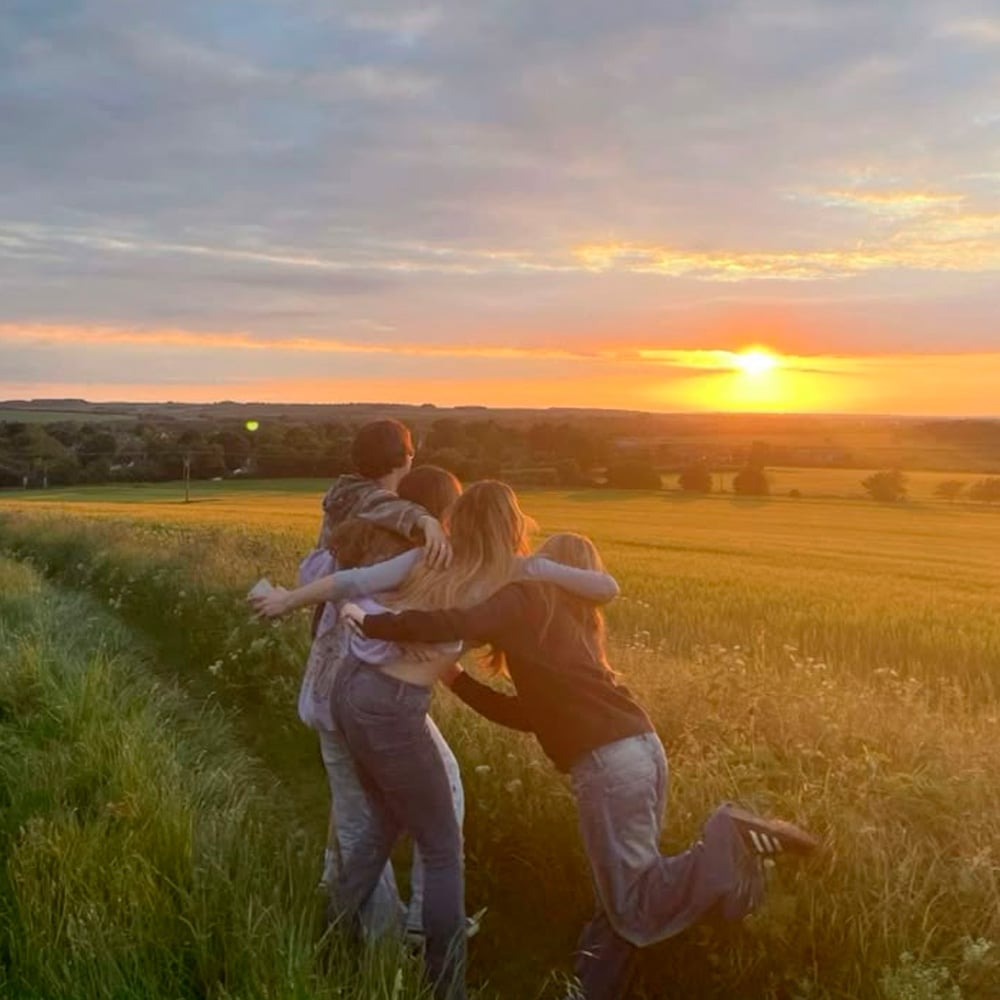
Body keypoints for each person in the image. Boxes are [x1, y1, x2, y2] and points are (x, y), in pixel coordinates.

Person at [341, 532, 820, 1000]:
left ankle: (727, 839)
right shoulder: (572, 633)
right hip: (642, 750)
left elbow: (459, 620)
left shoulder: (529, 599)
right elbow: (526, 716)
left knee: (632, 901)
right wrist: (457, 679)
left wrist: (375, 622)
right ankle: (589, 987)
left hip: (609, 766)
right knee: (618, 895)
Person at [327, 484, 620, 1000]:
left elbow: (366, 583)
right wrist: (377, 624)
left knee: (383, 823)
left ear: (459, 520)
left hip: (355, 689)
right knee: (441, 849)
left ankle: (331, 936)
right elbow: (604, 587)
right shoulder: (500, 575)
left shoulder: (443, 555)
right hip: (391, 705)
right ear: (511, 525)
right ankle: (446, 987)